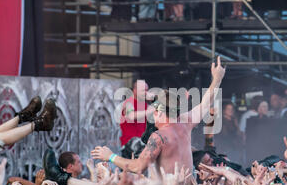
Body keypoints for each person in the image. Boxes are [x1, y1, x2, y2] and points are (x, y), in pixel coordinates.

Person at [91, 57, 226, 175]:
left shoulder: (159, 137)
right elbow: (206, 102)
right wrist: (217, 79)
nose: (153, 114)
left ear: (161, 112)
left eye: (155, 111)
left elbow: (138, 167)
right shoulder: (185, 123)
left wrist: (110, 156)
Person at [120, 80, 155, 147]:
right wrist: (149, 111)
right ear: (135, 90)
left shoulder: (144, 104)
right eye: (143, 90)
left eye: (147, 90)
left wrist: (154, 101)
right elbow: (131, 116)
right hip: (129, 144)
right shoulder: (128, 102)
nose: (146, 93)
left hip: (141, 142)